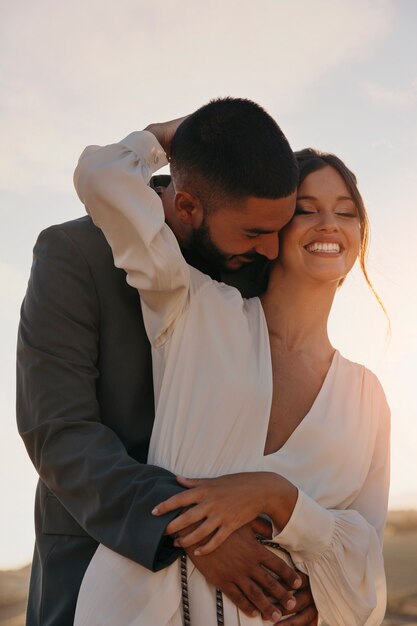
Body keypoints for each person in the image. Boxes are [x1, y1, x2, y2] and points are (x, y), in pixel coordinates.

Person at [72, 118, 390, 625]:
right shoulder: (194, 306)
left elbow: (366, 552)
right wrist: (184, 133)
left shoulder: (367, 396)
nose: (329, 224)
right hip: (143, 605)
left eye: (346, 213)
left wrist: (279, 500)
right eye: (306, 210)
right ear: (275, 224)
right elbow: (101, 176)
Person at [17, 98, 317, 626]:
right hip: (97, 565)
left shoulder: (257, 270)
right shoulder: (72, 254)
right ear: (187, 208)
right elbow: (58, 431)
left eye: (279, 227)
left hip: (244, 590)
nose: (273, 250)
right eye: (252, 233)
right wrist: (193, 530)